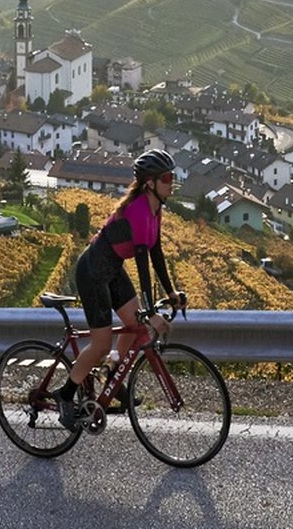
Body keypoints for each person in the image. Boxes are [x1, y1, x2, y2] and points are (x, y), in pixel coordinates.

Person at [62, 148, 185, 415]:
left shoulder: (156, 208)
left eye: (172, 176)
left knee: (133, 325)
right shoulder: (140, 210)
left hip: (112, 268)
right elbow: (142, 264)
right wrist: (151, 312)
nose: (171, 181)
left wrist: (171, 291)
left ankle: (112, 377)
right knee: (102, 343)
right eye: (166, 177)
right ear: (150, 183)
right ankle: (65, 395)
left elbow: (156, 253)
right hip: (93, 271)